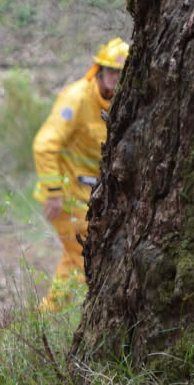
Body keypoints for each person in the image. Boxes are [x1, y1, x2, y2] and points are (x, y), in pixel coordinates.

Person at [32, 36, 128, 309]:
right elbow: (44, 145)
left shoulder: (121, 103)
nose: (115, 78)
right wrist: (53, 194)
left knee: (72, 260)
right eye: (111, 71)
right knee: (85, 260)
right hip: (66, 198)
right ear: (98, 69)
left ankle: (47, 317)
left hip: (89, 197)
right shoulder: (76, 98)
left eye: (121, 73)